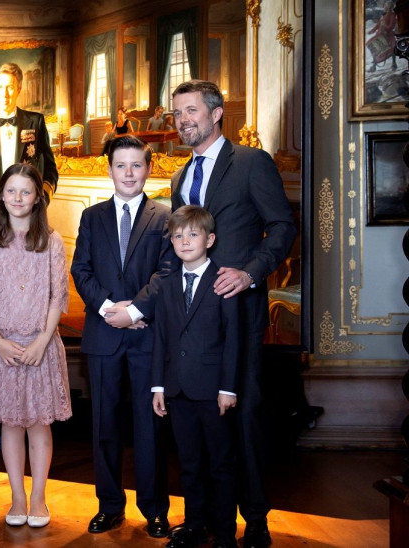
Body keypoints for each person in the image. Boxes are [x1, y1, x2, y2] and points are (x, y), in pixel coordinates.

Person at [170, 79, 297, 548]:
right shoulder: (180, 178)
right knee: (196, 420)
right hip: (191, 320)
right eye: (177, 114)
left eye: (191, 111)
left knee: (243, 416)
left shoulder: (251, 163)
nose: (183, 121)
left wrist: (249, 273)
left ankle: (256, 519)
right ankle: (201, 517)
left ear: (217, 113)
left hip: (238, 310)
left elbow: (282, 228)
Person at [70, 135, 175, 538]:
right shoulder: (91, 217)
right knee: (105, 425)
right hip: (103, 336)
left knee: (150, 426)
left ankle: (155, 509)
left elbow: (166, 273)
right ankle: (110, 505)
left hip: (148, 336)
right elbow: (82, 270)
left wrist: (133, 311)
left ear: (149, 169)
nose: (128, 173)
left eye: (136, 165)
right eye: (120, 165)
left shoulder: (164, 217)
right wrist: (108, 311)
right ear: (109, 169)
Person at [0, 163, 72, 528]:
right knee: (10, 426)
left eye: (25, 191)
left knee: (38, 425)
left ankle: (39, 498)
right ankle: (16, 497)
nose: (18, 197)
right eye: (11, 190)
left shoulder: (52, 240)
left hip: (40, 346)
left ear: (37, 199)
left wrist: (42, 343)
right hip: (1, 347)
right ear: (1, 195)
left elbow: (57, 298)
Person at [152, 205, 240, 548]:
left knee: (220, 462)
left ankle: (225, 532)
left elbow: (233, 339)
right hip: (177, 389)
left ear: (210, 238)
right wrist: (158, 385)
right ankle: (194, 525)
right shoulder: (168, 284)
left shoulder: (223, 281)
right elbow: (161, 337)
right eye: (178, 235)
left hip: (213, 390)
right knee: (188, 463)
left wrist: (228, 388)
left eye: (193, 234)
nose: (185, 241)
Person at [0, 62, 58, 203]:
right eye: (0, 87)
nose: (5, 93)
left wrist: (43, 199)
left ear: (18, 89)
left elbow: (50, 169)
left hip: (29, 210)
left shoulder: (35, 122)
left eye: (10, 87)